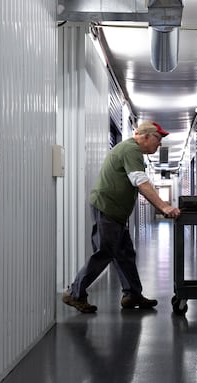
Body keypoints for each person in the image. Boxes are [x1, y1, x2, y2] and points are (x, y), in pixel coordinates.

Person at [63, 120, 181, 313]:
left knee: (125, 253)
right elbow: (141, 183)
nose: (159, 144)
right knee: (104, 252)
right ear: (145, 136)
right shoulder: (131, 150)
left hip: (115, 212)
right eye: (158, 139)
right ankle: (74, 293)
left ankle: (133, 294)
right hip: (107, 208)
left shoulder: (133, 150)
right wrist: (164, 206)